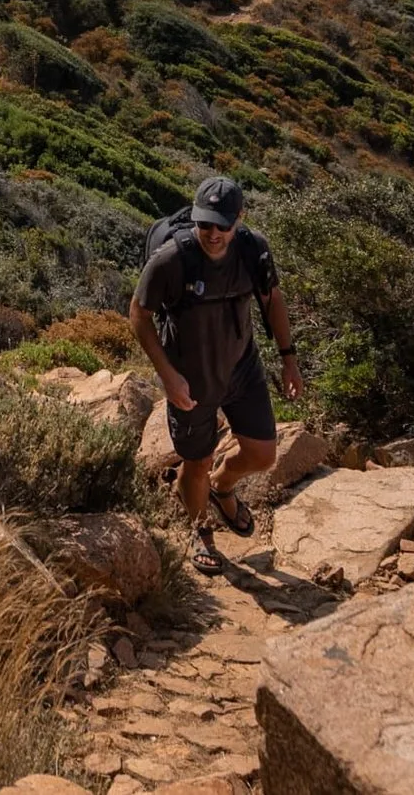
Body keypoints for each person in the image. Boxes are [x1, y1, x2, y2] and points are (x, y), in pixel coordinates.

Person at [128, 175, 301, 572]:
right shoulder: (173, 258)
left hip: (242, 367)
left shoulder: (252, 250)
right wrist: (168, 377)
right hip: (193, 378)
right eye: (205, 223)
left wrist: (288, 358)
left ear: (239, 218)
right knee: (196, 462)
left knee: (263, 453)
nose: (213, 233)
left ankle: (222, 487)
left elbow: (272, 297)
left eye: (222, 225)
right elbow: (138, 314)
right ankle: (200, 528)